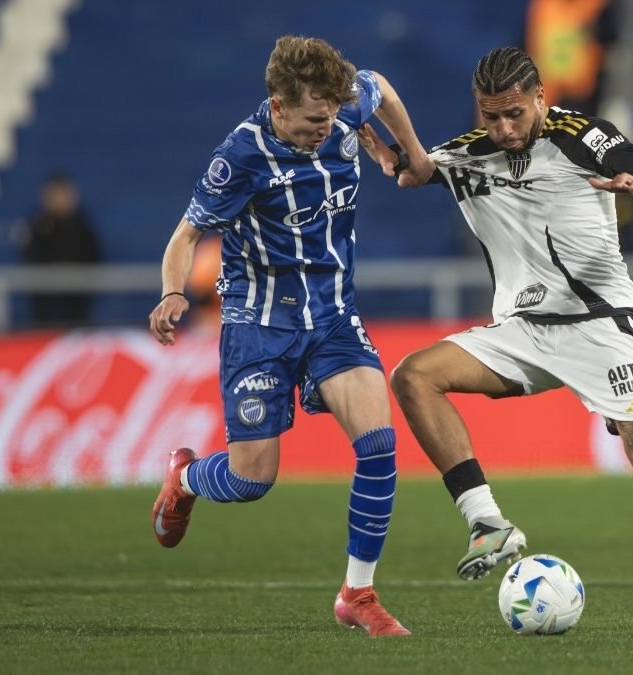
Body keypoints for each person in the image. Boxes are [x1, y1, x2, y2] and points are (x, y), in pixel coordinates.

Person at [360, 46, 633, 634]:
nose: (505, 128)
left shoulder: (579, 135)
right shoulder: (467, 155)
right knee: (413, 375)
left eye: (515, 113)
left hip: (599, 329)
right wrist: (381, 147)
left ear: (540, 97)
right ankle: (487, 521)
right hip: (522, 331)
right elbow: (415, 171)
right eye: (492, 116)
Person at [147, 35, 432, 638]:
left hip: (332, 316)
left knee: (379, 444)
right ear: (278, 107)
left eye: (330, 118)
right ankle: (186, 478)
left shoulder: (343, 106)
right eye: (310, 121)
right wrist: (173, 293)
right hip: (259, 327)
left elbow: (382, 86)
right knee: (253, 479)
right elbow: (183, 239)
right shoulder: (241, 157)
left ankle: (358, 593)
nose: (323, 130)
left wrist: (407, 152)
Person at [18, 172, 101, 328]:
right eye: (55, 194)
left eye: (64, 193)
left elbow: (94, 258)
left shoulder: (82, 226)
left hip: (77, 308)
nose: (60, 199)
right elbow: (29, 259)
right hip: (45, 309)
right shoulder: (37, 226)